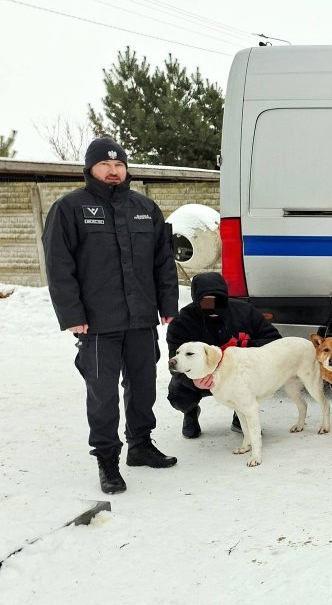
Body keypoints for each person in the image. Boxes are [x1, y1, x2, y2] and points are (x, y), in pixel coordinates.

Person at [42, 137, 179, 494]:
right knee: (102, 394)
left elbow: (163, 263)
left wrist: (168, 306)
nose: (113, 170)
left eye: (119, 165)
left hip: (141, 319)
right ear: (90, 169)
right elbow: (59, 267)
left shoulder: (146, 208)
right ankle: (107, 459)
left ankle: (140, 445)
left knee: (143, 385)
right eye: (105, 164)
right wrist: (72, 314)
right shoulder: (70, 208)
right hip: (97, 322)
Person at [166, 272, 282, 438]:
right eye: (207, 302)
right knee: (178, 392)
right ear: (196, 301)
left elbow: (274, 341)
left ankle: (240, 414)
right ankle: (190, 413)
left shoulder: (245, 312)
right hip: (202, 377)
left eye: (218, 302)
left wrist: (245, 352)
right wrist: (194, 382)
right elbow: (174, 363)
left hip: (238, 374)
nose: (213, 307)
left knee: (260, 380)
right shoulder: (181, 322)